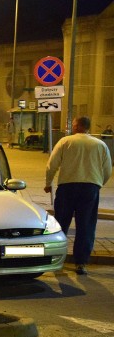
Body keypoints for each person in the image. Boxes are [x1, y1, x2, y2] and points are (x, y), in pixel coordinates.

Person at [45, 116, 112, 275]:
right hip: (90, 188)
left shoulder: (65, 142)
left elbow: (52, 164)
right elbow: (108, 169)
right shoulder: (100, 145)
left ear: (76, 126)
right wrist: (98, 183)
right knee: (86, 225)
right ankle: (81, 262)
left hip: (67, 187)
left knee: (61, 223)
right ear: (88, 127)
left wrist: (48, 183)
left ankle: (56, 257)